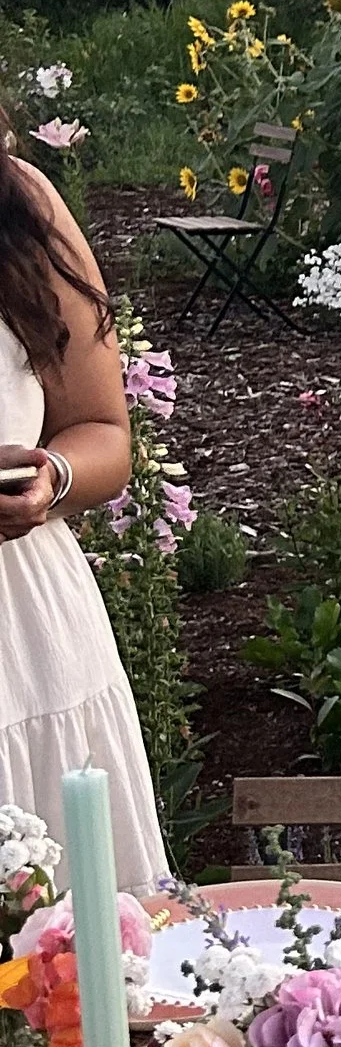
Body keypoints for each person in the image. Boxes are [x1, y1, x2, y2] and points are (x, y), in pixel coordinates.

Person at [0, 124, 170, 881]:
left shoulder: (15, 203)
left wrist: (49, 480)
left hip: (25, 648)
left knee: (73, 976)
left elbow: (103, 433)